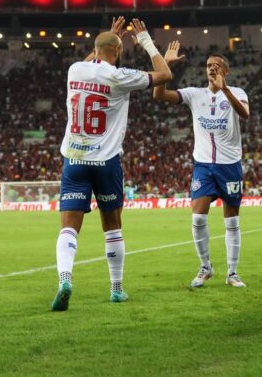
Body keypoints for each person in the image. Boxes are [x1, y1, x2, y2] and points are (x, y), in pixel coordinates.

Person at [52, 18, 173, 311]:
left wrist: (108, 38)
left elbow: (92, 60)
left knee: (68, 229)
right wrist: (144, 39)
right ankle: (116, 290)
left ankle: (65, 280)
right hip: (105, 161)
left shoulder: (74, 70)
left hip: (75, 159)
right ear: (118, 52)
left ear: (94, 49)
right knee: (112, 227)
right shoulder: (121, 76)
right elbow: (164, 73)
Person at [152, 46, 250, 288]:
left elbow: (245, 114)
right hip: (204, 165)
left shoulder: (237, 92)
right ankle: (205, 267)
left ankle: (233, 272)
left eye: (216, 65)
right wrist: (166, 65)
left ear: (226, 70)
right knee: (197, 218)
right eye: (208, 66)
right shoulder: (195, 94)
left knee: (231, 222)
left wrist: (224, 88)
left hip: (230, 165)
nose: (211, 69)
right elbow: (159, 95)